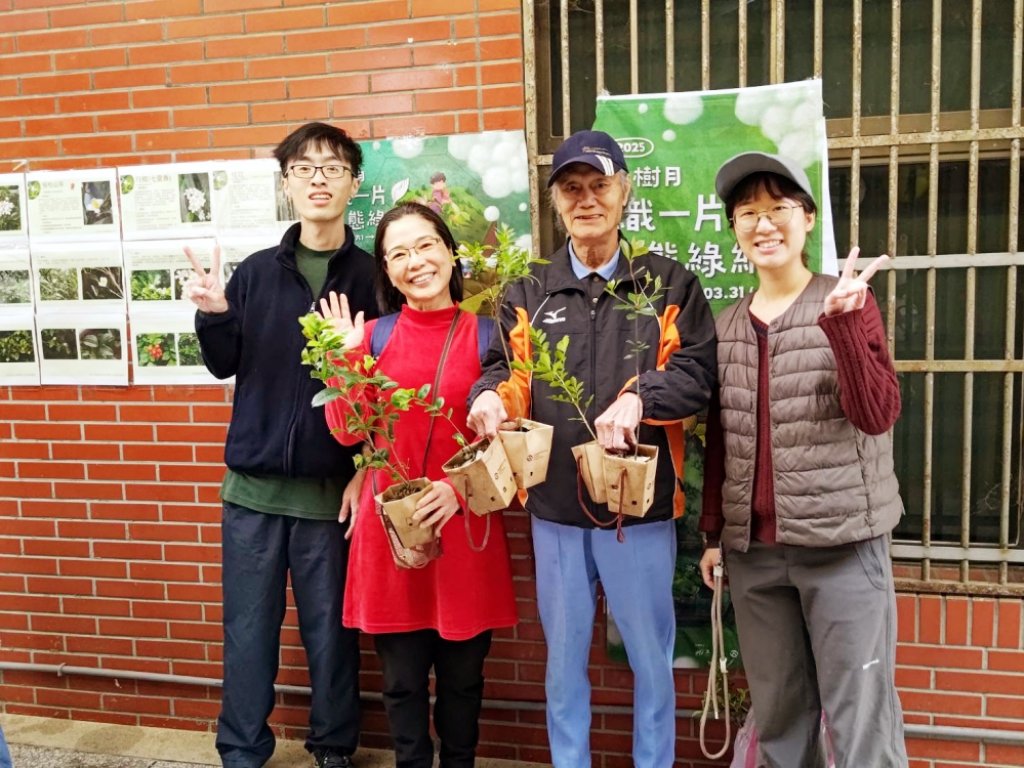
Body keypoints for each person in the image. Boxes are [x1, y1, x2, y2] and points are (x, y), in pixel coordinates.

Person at [467, 130, 717, 768]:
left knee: (650, 661)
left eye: (599, 185)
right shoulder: (529, 289)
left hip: (642, 510)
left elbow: (698, 374)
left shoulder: (667, 284)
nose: (586, 200)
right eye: (572, 188)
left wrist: (644, 396)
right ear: (556, 203)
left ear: (624, 191)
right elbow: (505, 369)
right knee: (563, 662)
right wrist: (491, 398)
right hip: (553, 509)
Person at [698, 151, 908, 768]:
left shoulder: (847, 302)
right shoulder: (726, 323)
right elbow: (721, 440)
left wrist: (846, 327)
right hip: (756, 557)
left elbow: (876, 414)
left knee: (860, 720)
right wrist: (715, 535)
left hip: (843, 548)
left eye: (779, 209)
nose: (764, 225)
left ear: (808, 219)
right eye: (748, 213)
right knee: (780, 718)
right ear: (734, 229)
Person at [184, 122, 377, 768]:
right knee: (247, 635)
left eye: (332, 167)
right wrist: (214, 314)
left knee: (332, 637)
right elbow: (224, 363)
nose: (318, 178)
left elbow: (388, 385)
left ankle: (333, 746)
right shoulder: (258, 274)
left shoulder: (375, 279)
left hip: (333, 497)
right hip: (253, 495)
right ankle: (242, 749)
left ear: (354, 182)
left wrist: (368, 467)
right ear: (287, 184)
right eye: (303, 167)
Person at [318, 201, 517, 768]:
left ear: (451, 253)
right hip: (394, 532)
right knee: (402, 684)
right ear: (386, 270)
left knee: (463, 683)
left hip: (466, 527)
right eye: (398, 253)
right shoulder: (373, 336)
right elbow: (342, 431)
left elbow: (508, 442)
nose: (415, 261)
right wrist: (345, 359)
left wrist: (456, 492)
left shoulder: (489, 337)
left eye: (425, 245)